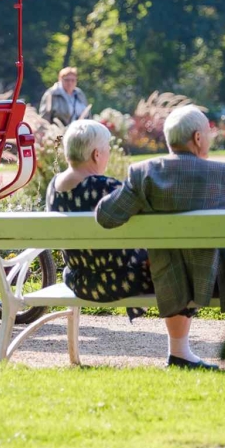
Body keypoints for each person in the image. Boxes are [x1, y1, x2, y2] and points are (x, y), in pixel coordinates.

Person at [95, 104, 225, 369]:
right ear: (198, 138)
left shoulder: (142, 173)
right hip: (220, 282)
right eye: (208, 133)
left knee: (172, 261)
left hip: (170, 280)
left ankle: (179, 353)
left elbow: (106, 216)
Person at [48, 119, 154, 319]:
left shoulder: (53, 188)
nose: (108, 154)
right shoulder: (107, 188)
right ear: (96, 155)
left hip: (78, 281)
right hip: (122, 281)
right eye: (107, 149)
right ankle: (179, 345)